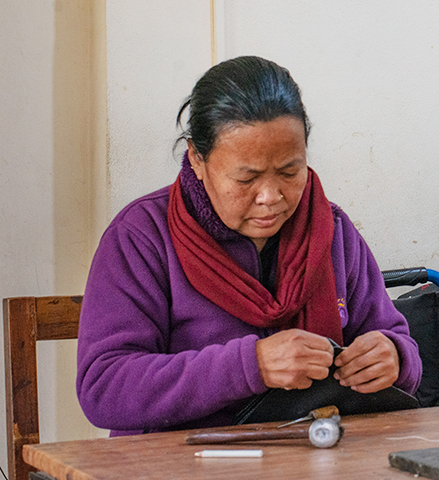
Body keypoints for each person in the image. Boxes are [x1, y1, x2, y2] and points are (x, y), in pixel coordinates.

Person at [76, 56, 421, 435]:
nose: (270, 197)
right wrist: (249, 366)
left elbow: (395, 341)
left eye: (290, 172)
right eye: (246, 179)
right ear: (196, 158)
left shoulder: (331, 230)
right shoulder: (141, 238)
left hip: (313, 455)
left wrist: (394, 357)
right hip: (180, 463)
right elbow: (104, 387)